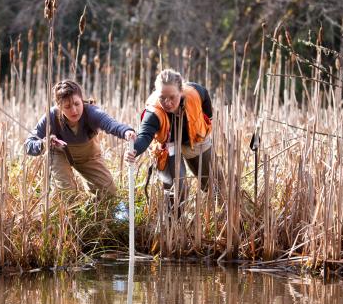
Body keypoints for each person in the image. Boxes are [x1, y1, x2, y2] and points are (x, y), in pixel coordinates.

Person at [25, 79, 136, 198]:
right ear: (59, 107)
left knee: (108, 193)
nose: (74, 110)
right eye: (67, 106)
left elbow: (111, 124)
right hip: (59, 155)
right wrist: (43, 144)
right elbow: (28, 145)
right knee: (67, 193)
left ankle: (93, 210)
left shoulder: (92, 112)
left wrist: (126, 131)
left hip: (88, 156)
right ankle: (66, 214)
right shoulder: (51, 116)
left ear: (82, 100)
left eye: (77, 104)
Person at [125, 69, 214, 214]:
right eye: (162, 97)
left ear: (181, 91)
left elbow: (205, 95)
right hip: (167, 146)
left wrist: (208, 117)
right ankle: (172, 226)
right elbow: (144, 136)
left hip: (194, 137)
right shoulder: (152, 113)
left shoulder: (193, 92)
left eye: (172, 97)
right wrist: (134, 149)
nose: (167, 102)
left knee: (213, 183)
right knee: (177, 190)